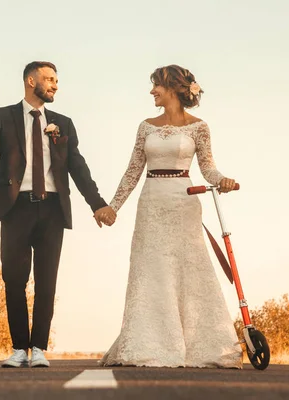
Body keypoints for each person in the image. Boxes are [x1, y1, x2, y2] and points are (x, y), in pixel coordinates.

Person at [96, 64, 243, 368]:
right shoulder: (145, 126)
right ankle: (148, 344)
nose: (152, 92)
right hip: (151, 203)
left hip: (184, 202)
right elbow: (133, 170)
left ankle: (201, 346)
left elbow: (208, 167)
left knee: (190, 269)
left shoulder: (199, 127)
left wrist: (222, 180)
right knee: (151, 271)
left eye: (156, 86)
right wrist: (113, 206)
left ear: (174, 87)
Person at [0, 61, 115, 368]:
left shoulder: (63, 123)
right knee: (14, 280)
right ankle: (19, 350)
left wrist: (97, 204)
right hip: (15, 207)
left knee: (47, 281)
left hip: (52, 209)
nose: (55, 85)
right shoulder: (3, 116)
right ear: (30, 80)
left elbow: (78, 167)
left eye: (56, 80)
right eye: (49, 79)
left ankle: (38, 348)